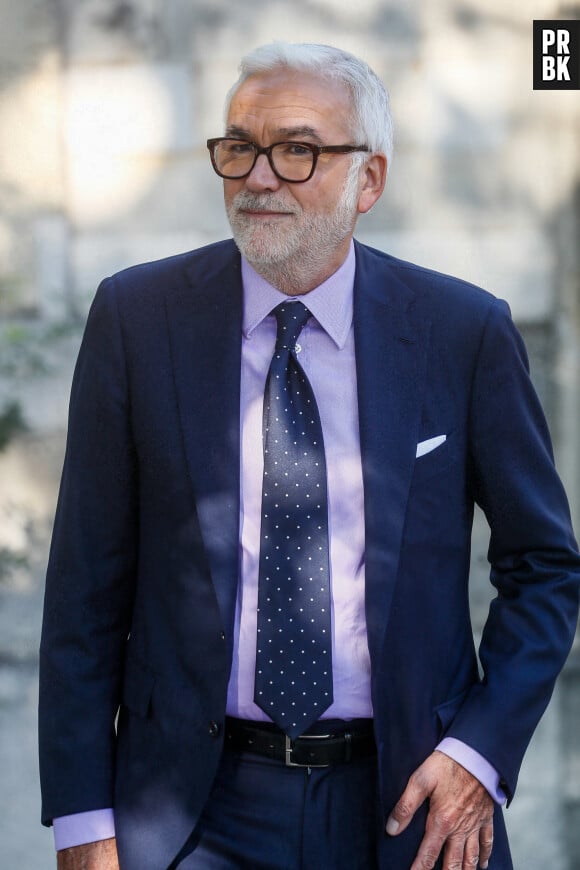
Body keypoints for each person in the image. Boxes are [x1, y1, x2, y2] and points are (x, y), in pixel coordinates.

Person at [39, 41, 580, 870]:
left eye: (298, 150)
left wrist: (476, 754)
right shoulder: (137, 319)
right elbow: (84, 592)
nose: (259, 177)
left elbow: (545, 566)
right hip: (189, 812)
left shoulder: (461, 331)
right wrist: (82, 819)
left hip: (408, 804)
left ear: (369, 180)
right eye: (240, 147)